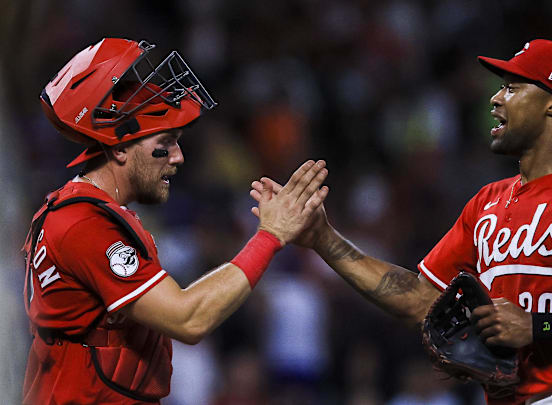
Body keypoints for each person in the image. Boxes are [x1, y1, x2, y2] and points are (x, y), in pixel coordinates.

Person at [251, 39, 552, 405]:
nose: (495, 98)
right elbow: (418, 301)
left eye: (512, 87)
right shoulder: (486, 204)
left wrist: (539, 326)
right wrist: (324, 238)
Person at [22, 37, 329, 405]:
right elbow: (189, 319)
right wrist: (270, 236)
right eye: (165, 142)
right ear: (118, 147)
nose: (178, 157)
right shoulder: (83, 223)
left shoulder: (80, 212)